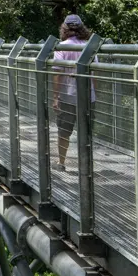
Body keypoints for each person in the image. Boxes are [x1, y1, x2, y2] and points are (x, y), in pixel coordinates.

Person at [51, 14, 95, 172]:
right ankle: (86, 165)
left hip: (68, 97)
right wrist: (95, 93)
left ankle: (61, 163)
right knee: (87, 132)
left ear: (64, 28)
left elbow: (58, 74)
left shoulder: (62, 47)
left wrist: (55, 97)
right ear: (82, 28)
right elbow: (94, 73)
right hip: (88, 97)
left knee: (64, 131)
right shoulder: (89, 46)